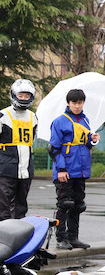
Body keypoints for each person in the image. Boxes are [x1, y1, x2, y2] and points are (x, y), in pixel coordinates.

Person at [49, 88, 100, 250]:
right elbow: (54, 148)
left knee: (78, 205)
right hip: (65, 170)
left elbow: (85, 144)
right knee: (65, 204)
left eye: (80, 103)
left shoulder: (85, 121)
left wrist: (92, 140)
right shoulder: (59, 121)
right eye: (74, 103)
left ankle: (73, 237)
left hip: (81, 170)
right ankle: (61, 238)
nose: (77, 106)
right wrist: (61, 169)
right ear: (68, 103)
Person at [0, 79, 38, 222]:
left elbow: (30, 142)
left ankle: (20, 239)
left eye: (27, 96)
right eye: (21, 95)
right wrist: (0, 160)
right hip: (5, 169)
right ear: (14, 95)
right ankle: (0, 238)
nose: (24, 98)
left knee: (21, 207)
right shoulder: (1, 116)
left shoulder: (33, 117)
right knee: (2, 207)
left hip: (26, 170)